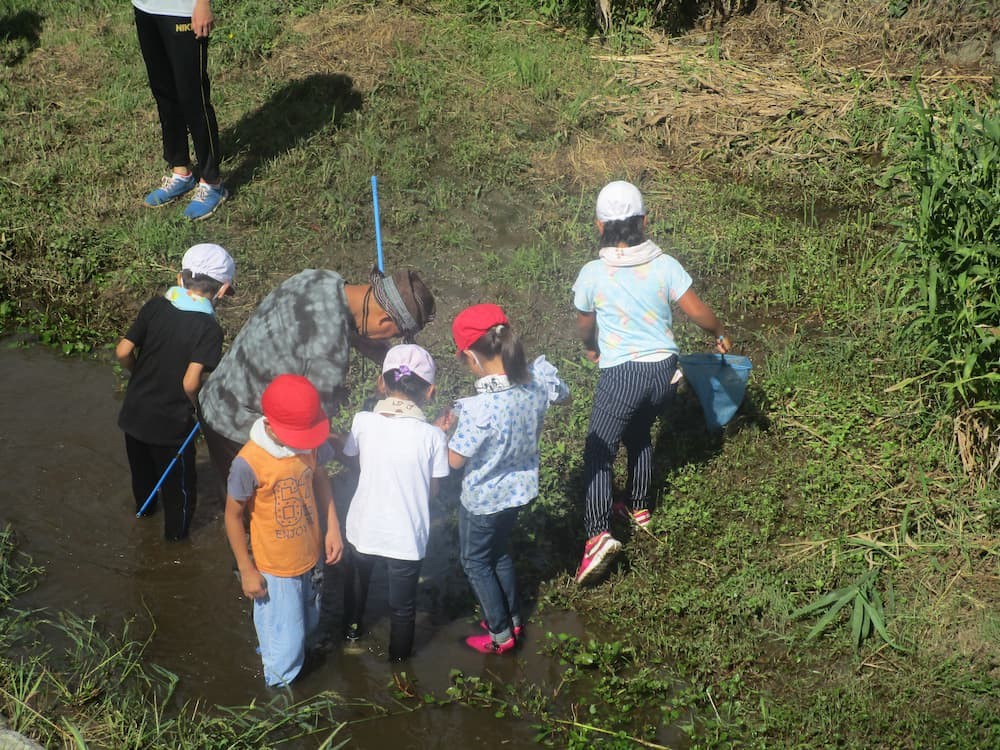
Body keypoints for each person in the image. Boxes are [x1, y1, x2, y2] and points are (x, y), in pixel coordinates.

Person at [571, 180, 732, 585]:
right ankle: (639, 507)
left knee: (598, 452)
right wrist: (719, 332)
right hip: (664, 371)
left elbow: (585, 324)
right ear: (645, 220)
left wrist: (592, 348)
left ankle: (596, 535)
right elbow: (696, 310)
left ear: (597, 225)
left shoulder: (593, 273)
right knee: (640, 432)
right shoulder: (664, 264)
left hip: (622, 374)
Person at [198, 267, 436, 492]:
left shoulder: (320, 279)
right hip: (241, 426)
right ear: (384, 320)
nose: (389, 341)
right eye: (394, 335)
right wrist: (362, 464)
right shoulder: (328, 354)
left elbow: (330, 324)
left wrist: (385, 356)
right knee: (262, 515)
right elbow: (314, 430)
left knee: (232, 495)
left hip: (216, 391)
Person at [448, 304, 569, 654]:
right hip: (518, 492)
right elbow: (564, 394)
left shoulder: (479, 409)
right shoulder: (534, 384)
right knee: (498, 552)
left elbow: (455, 461)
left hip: (483, 501)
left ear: (471, 357)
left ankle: (501, 634)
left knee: (475, 562)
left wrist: (442, 434)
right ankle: (513, 617)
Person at [224, 374, 343, 687]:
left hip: (311, 553)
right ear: (270, 424)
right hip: (275, 568)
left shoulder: (310, 446)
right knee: (286, 643)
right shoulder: (248, 463)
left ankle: (279, 653)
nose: (305, 442)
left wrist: (333, 527)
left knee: (308, 622)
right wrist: (246, 569)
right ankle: (278, 692)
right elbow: (233, 516)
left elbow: (321, 479)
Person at [115, 242, 235, 540]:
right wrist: (198, 410)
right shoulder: (209, 329)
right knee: (179, 491)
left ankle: (143, 520)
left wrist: (139, 374)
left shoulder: (155, 306)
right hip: (171, 426)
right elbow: (190, 383)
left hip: (134, 414)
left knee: (143, 481)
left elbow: (122, 351)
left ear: (180, 278)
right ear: (222, 290)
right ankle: (175, 543)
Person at [339, 344, 450, 661]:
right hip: (405, 537)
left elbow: (356, 461)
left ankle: (350, 638)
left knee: (356, 591)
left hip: (363, 527)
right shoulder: (433, 437)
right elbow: (433, 491)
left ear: (380, 383)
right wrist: (436, 432)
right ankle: (399, 667)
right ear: (430, 392)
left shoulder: (362, 421)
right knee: (403, 608)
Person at [133, 0, 227, 221]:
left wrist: (203, 4)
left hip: (183, 11)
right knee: (164, 93)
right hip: (145, 8)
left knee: (194, 97)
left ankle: (212, 183)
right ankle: (181, 171)